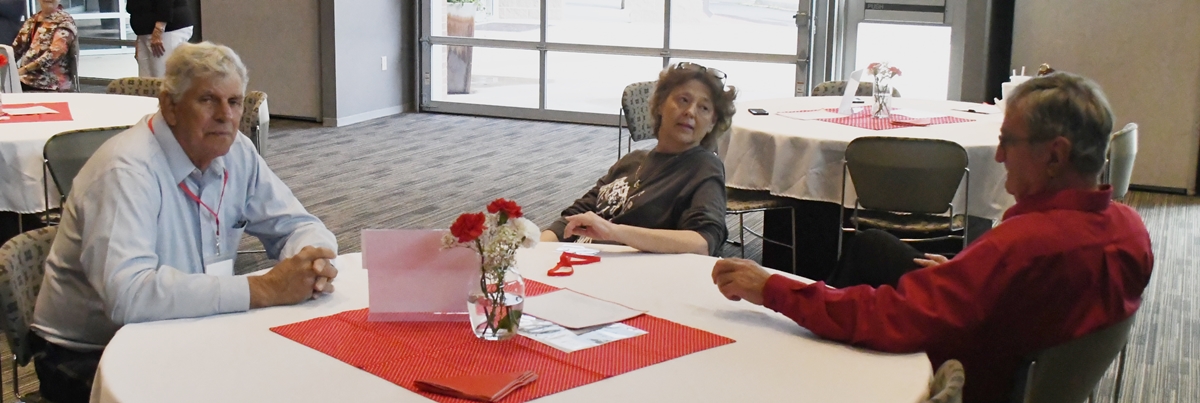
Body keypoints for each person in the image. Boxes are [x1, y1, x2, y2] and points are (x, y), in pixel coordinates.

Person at [712, 72, 1154, 402]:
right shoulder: (1129, 230)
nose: (1000, 156)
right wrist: (967, 277)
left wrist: (772, 288)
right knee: (873, 245)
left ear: (1055, 155)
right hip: (1007, 343)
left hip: (962, 374)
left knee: (849, 297)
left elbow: (888, 318)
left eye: (1008, 141)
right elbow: (1037, 302)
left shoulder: (1022, 248)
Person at [30, 42, 338, 403]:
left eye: (234, 102)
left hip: (189, 324)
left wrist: (312, 262)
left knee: (299, 377)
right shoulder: (126, 170)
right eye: (208, 100)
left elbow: (298, 224)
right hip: (92, 352)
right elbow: (129, 297)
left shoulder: (236, 151)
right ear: (170, 107)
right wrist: (265, 289)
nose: (225, 115)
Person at [540, 62, 737, 256]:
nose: (690, 112)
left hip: (620, 269)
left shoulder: (703, 168)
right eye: (683, 100)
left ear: (712, 123)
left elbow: (703, 242)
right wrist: (536, 249)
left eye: (704, 108)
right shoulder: (633, 161)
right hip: (576, 257)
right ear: (660, 105)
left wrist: (614, 232)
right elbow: (574, 216)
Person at [11, 0, 75, 92]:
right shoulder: (33, 20)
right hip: (26, 82)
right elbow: (15, 49)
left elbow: (54, 54)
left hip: (52, 87)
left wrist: (23, 70)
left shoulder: (65, 22)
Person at [127, 0, 193, 77]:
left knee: (161, 75)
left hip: (168, 28)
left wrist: (159, 30)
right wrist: (139, 37)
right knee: (145, 79)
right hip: (145, 32)